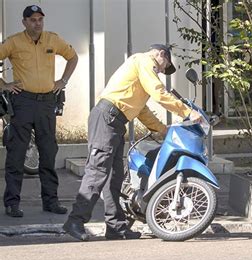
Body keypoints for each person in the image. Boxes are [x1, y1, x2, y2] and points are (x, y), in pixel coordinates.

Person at [63, 44, 201, 241]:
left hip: (115, 122)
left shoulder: (140, 73)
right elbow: (158, 92)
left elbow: (142, 110)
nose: (161, 71)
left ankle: (116, 226)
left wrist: (162, 129)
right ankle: (75, 221)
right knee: (98, 171)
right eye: (164, 66)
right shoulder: (144, 60)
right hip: (107, 118)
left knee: (114, 177)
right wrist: (187, 112)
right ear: (160, 54)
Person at [0, 5, 78, 218]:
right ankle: (12, 203)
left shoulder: (52, 39)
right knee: (16, 155)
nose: (37, 23)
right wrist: (4, 84)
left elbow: (73, 57)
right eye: (32, 20)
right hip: (23, 101)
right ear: (24, 22)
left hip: (46, 103)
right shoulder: (13, 42)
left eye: (40, 19)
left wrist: (62, 81)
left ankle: (51, 201)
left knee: (48, 152)